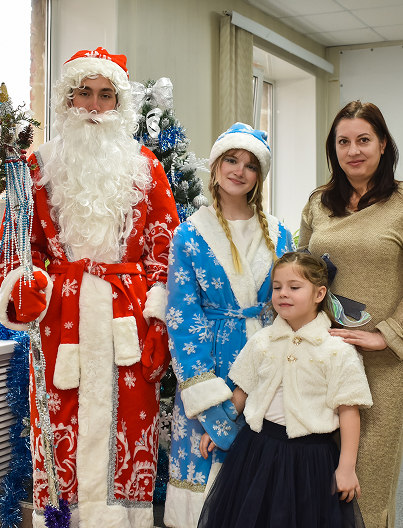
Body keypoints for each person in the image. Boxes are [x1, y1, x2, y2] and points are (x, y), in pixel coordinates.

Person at [0, 47, 179, 528]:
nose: (94, 106)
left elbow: (167, 247)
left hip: (129, 323)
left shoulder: (146, 166)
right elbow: (15, 246)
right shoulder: (37, 166)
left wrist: (159, 320)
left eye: (106, 96)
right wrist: (23, 285)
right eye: (85, 93)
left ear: (119, 104)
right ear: (67, 99)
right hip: (61, 321)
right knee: (59, 426)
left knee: (130, 427)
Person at [299, 101, 403, 527]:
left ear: (383, 144)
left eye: (364, 139)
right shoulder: (318, 203)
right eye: (343, 142)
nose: (354, 150)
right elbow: (301, 270)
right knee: (318, 463)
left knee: (368, 472)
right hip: (322, 353)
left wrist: (389, 333)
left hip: (381, 361)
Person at [163, 123, 294, 528]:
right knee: (204, 469)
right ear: (217, 165)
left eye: (250, 166)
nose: (239, 171)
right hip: (209, 362)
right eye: (232, 160)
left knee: (261, 480)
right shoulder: (188, 235)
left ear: (259, 176)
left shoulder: (280, 234)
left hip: (268, 363)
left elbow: (290, 309)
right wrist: (210, 406)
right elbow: (182, 318)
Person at [197, 251, 373, 528]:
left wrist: (347, 467)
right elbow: (243, 390)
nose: (283, 294)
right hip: (257, 450)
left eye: (294, 287)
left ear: (319, 294)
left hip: (310, 460)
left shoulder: (337, 350)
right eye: (277, 287)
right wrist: (219, 426)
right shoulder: (262, 340)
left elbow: (349, 410)